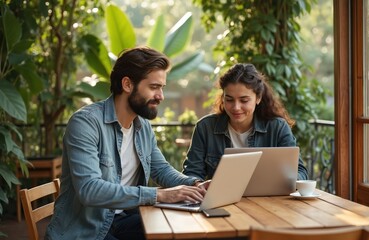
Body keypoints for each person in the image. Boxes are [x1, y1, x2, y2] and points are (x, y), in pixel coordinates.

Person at [45, 47, 206, 240]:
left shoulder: (142, 126)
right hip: (86, 231)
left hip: (122, 221)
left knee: (184, 231)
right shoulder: (86, 123)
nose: (161, 96)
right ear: (128, 84)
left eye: (162, 88)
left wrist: (196, 185)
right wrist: (159, 195)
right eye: (154, 87)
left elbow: (161, 170)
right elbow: (89, 190)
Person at [182, 63, 308, 181]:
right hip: (222, 202)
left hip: (269, 201)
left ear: (258, 98)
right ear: (223, 98)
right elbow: (192, 173)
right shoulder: (205, 127)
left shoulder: (278, 127)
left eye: (244, 100)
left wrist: (288, 182)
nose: (236, 107)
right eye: (229, 100)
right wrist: (197, 184)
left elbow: (300, 171)